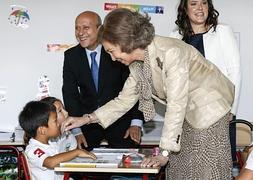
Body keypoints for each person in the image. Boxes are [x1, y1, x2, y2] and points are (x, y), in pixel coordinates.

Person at [63, 8, 235, 179]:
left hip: (210, 110)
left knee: (203, 169)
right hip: (187, 113)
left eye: (111, 51)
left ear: (125, 42)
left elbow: (176, 104)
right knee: (178, 170)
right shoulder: (138, 63)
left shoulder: (170, 52)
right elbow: (123, 100)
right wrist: (86, 118)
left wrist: (164, 152)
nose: (113, 59)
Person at [169, 0, 241, 163]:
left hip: (220, 112)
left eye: (204, 3)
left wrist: (232, 108)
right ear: (185, 9)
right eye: (193, 3)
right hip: (187, 114)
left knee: (215, 164)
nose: (200, 8)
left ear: (209, 7)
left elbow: (235, 71)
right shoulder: (175, 37)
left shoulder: (223, 31)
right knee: (188, 164)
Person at [62, 11, 143, 150]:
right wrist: (76, 130)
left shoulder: (117, 51)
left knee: (127, 164)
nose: (80, 33)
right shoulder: (71, 56)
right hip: (86, 123)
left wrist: (136, 122)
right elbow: (70, 94)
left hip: (120, 121)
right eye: (77, 28)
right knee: (82, 165)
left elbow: (135, 88)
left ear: (100, 29)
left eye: (86, 27)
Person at [19, 101, 96, 180]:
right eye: (55, 121)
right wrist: (77, 152)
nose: (58, 124)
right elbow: (50, 162)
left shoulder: (52, 144)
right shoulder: (33, 149)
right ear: (42, 130)